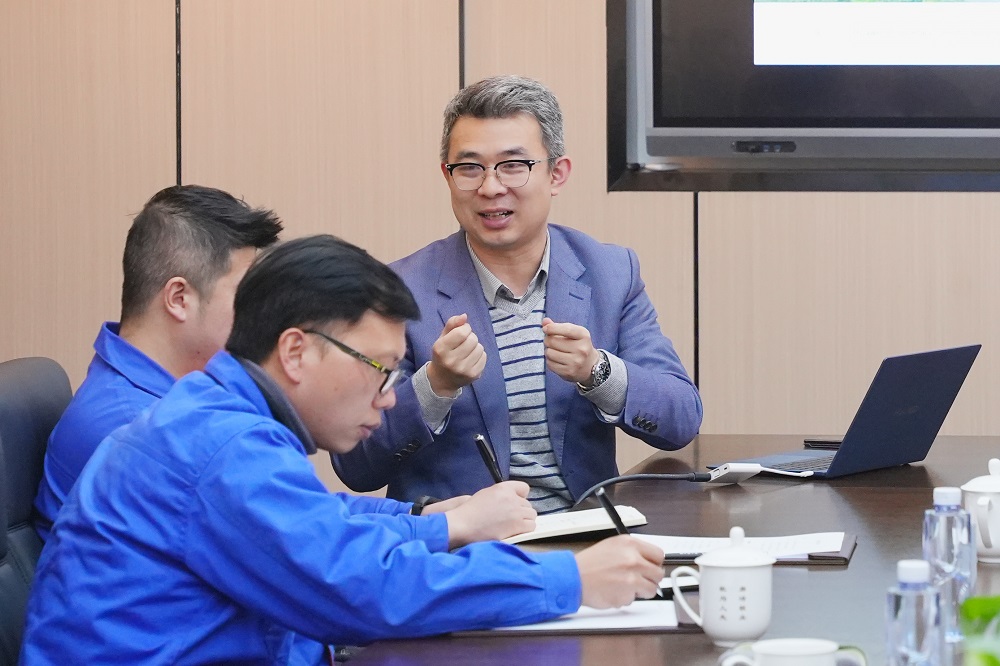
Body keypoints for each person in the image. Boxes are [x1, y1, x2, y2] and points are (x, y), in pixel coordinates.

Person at [20, 235, 666, 664]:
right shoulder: (221, 447)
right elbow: (363, 588)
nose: (389, 399)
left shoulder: (221, 415)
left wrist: (432, 522)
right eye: (380, 370)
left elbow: (320, 522)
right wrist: (570, 579)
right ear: (296, 351)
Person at [332, 75, 703, 512]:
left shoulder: (611, 272)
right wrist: (435, 386)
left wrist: (597, 371)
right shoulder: (396, 292)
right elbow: (357, 464)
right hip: (464, 543)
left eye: (513, 165)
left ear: (556, 174)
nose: (490, 187)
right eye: (470, 168)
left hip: (586, 535)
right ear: (447, 176)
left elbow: (681, 419)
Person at [32, 184, 283, 541]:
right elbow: (265, 543)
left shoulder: (174, 395)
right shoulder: (133, 429)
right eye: (245, 294)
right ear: (179, 298)